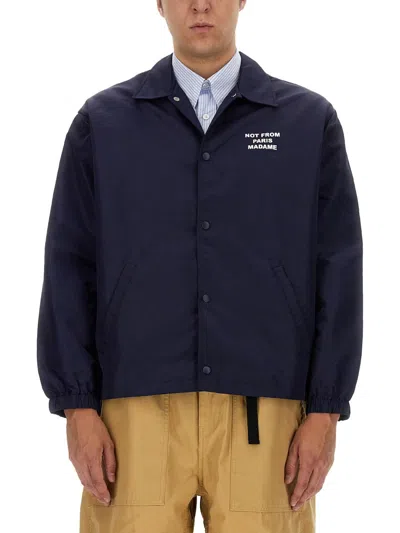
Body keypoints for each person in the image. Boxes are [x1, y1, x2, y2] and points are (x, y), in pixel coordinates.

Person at [36, 1, 363, 532]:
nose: (201, 5)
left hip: (266, 414)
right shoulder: (103, 123)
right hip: (133, 416)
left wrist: (326, 408)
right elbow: (69, 266)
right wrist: (76, 405)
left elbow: (339, 269)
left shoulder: (307, 123)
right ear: (160, 4)